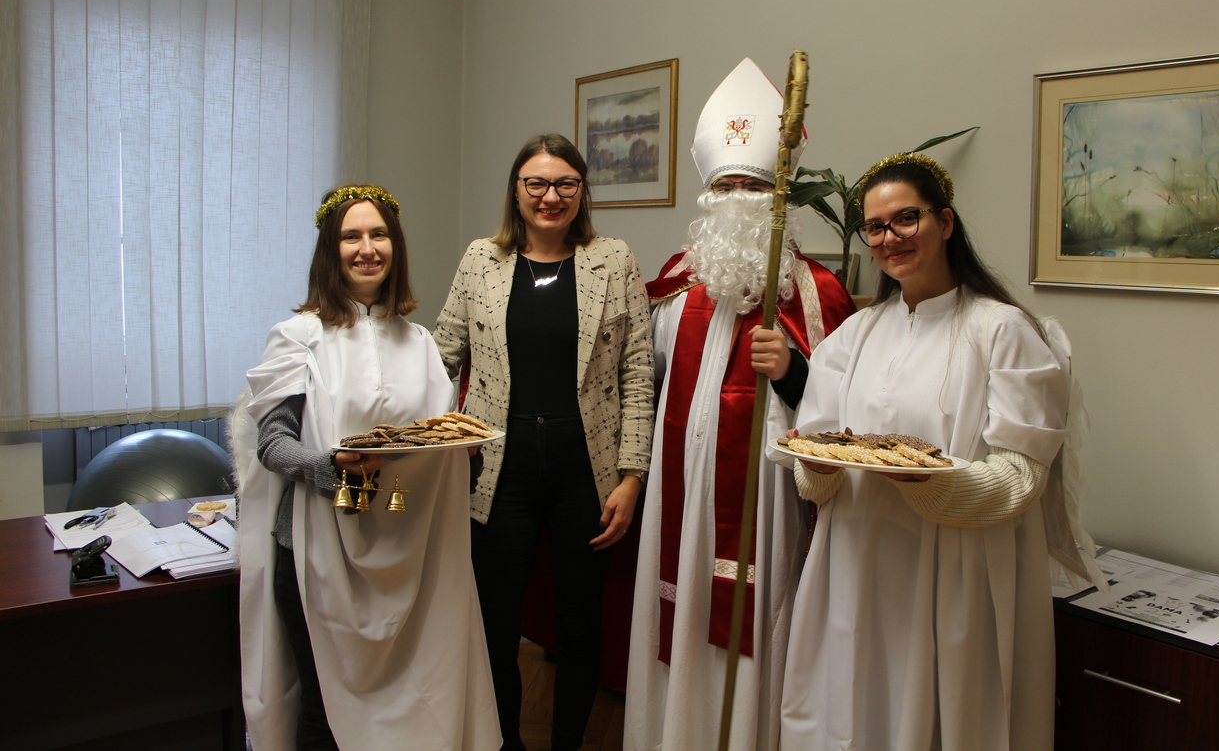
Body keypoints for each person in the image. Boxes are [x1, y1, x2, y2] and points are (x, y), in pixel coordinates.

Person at [776, 153, 1098, 751]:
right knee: (850, 711)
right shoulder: (853, 336)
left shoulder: (1002, 331)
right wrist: (814, 466)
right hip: (854, 562)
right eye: (875, 227)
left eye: (907, 219)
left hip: (953, 567)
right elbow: (819, 466)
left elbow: (1022, 476)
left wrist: (932, 480)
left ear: (945, 222)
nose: (889, 238)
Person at [625, 58, 856, 751]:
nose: (738, 198)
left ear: (777, 193)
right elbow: (638, 380)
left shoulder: (815, 294)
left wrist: (791, 371)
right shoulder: (675, 284)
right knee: (677, 616)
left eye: (754, 185)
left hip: (766, 503)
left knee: (755, 622)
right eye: (725, 185)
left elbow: (849, 419)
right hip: (676, 491)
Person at [235, 185, 500, 751]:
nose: (367, 248)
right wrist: (330, 465)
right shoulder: (299, 338)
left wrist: (465, 455)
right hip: (317, 548)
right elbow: (273, 445)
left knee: (415, 702)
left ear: (395, 246)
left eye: (378, 234)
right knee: (325, 713)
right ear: (329, 251)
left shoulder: (420, 342)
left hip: (411, 554)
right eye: (350, 237)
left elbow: (435, 445)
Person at [433, 134, 655, 751]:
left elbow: (638, 373)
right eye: (536, 183)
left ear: (581, 191)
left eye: (565, 184)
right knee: (495, 626)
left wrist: (632, 476)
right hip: (496, 468)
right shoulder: (481, 259)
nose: (550, 196)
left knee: (579, 628)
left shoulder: (613, 259)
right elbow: (440, 357)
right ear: (516, 191)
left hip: (587, 470)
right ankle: (505, 742)